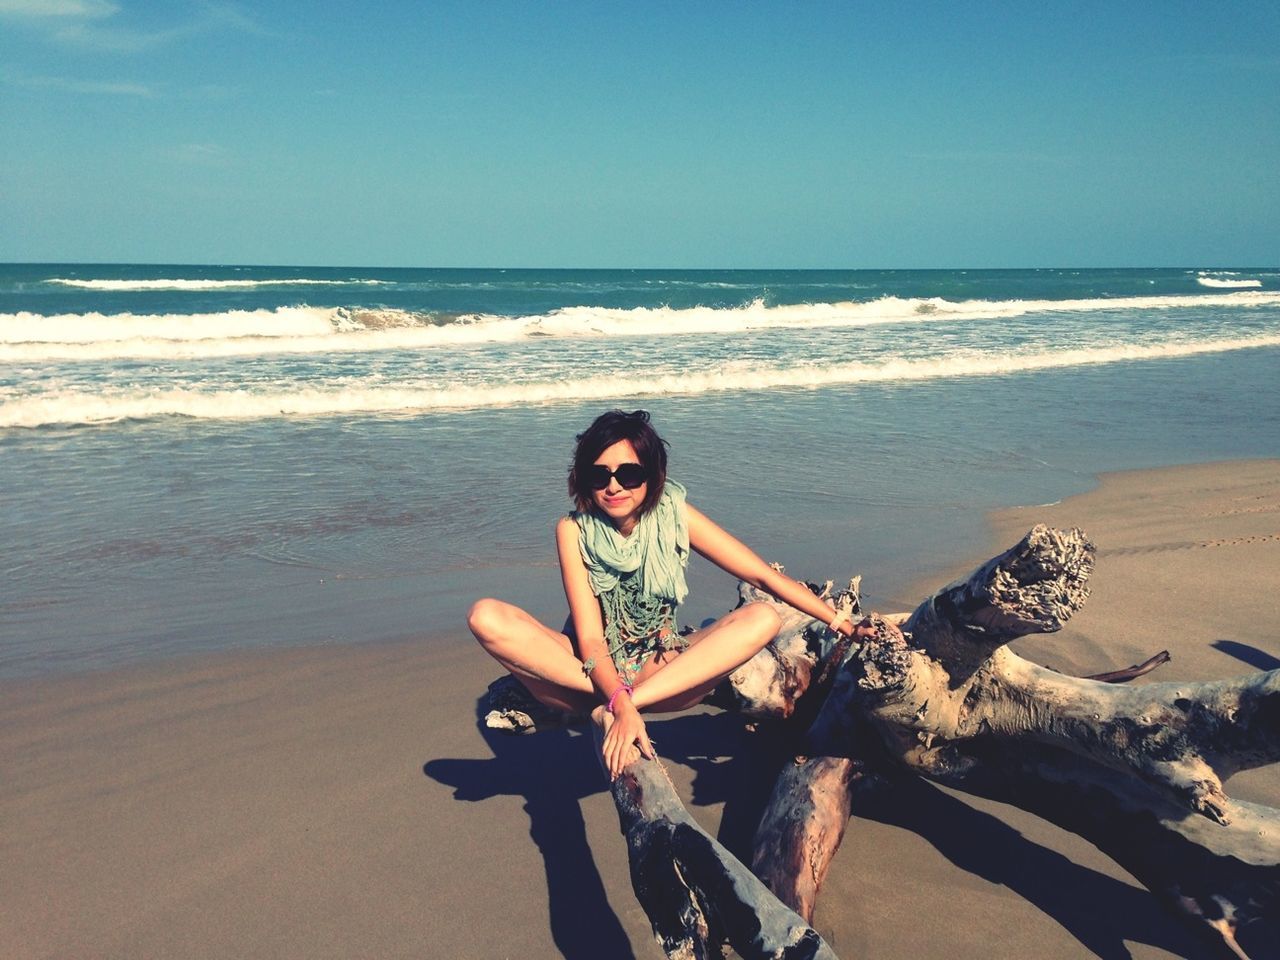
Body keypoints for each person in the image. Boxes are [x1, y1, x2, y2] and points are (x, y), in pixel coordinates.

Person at [469, 409, 871, 780]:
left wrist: (841, 624)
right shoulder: (573, 530)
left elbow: (760, 575)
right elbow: (590, 638)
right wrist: (619, 701)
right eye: (600, 475)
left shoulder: (675, 515)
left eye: (628, 474)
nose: (613, 486)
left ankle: (622, 705)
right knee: (485, 615)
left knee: (764, 618)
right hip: (586, 670)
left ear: (652, 473)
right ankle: (616, 705)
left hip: (661, 671)